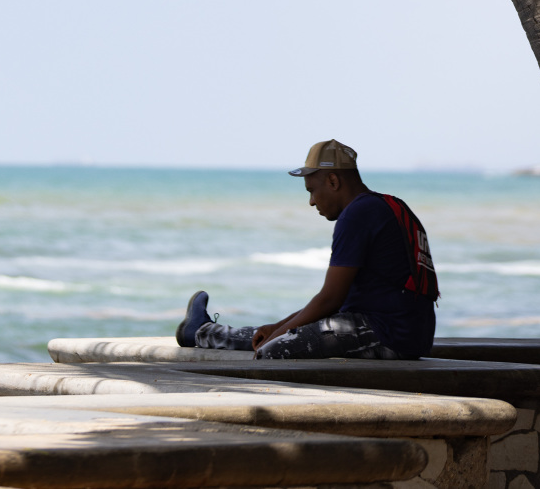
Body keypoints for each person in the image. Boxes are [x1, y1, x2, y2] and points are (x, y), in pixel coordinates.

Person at [175, 139, 438, 361]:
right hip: (413, 333)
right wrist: (277, 327)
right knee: (276, 333)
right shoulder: (390, 205)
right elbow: (333, 304)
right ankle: (202, 332)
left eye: (312, 190)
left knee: (272, 350)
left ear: (333, 181)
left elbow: (330, 300)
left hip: (387, 334)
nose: (311, 201)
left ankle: (204, 333)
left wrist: (280, 335)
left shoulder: (357, 214)